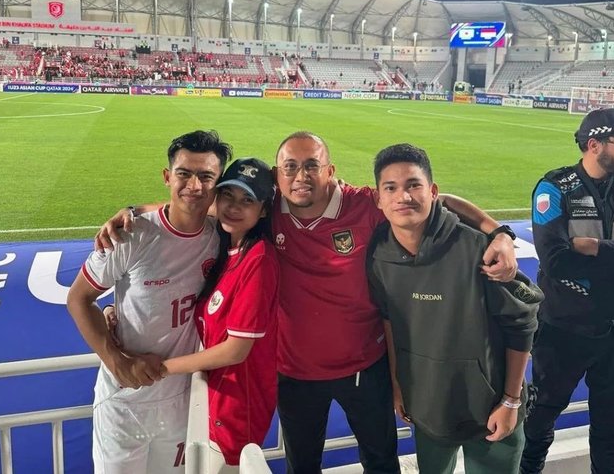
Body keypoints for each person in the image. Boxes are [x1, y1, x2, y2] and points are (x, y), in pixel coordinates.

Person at [96, 131, 518, 474]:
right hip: (294, 374)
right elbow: (204, 206)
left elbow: (435, 202)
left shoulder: (363, 204)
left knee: (381, 461)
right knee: (303, 466)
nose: (301, 176)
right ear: (278, 179)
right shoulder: (268, 209)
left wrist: (499, 231)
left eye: (311, 165)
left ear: (330, 171)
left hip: (363, 367)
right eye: (290, 168)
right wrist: (134, 210)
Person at [366, 143, 542, 474]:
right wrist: (399, 383)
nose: (403, 196)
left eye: (413, 185)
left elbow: (521, 325)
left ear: (432, 191)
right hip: (429, 406)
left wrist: (510, 401)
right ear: (379, 198)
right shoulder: (379, 254)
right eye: (391, 188)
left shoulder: (478, 248)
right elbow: (389, 319)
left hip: (491, 410)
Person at [67, 130, 232, 474]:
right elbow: (79, 298)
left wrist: (133, 206)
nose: (194, 185)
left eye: (206, 177)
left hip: (181, 400)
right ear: (167, 176)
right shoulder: (132, 234)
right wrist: (116, 362)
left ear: (217, 185)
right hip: (125, 402)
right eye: (184, 174)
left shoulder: (222, 235)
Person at [519, 108, 614, 474]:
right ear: (594, 145)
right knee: (541, 416)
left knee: (612, 427)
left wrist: (595, 247)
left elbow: (576, 253)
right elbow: (556, 260)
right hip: (564, 330)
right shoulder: (555, 188)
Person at [160, 157, 279, 471]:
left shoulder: (259, 260)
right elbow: (186, 208)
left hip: (240, 407)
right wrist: (132, 212)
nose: (234, 207)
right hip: (218, 398)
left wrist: (160, 368)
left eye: (247, 200)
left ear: (263, 209)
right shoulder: (227, 246)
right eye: (228, 195)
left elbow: (236, 350)